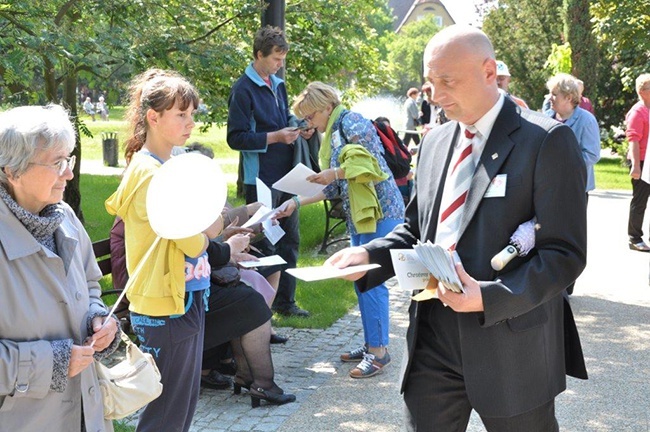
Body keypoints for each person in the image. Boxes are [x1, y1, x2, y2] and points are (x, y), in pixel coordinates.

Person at [326, 25, 588, 430]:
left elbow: (564, 253)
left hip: (511, 344)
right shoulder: (433, 142)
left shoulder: (546, 141)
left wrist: (491, 297)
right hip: (432, 339)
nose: (436, 94)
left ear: (488, 71)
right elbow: (417, 228)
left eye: (447, 81)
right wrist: (370, 254)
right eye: (430, 82)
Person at [105, 69, 224, 432]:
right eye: (181, 114)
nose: (190, 123)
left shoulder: (165, 165)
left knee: (180, 407)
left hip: (183, 299)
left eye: (192, 114)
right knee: (167, 414)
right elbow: (197, 239)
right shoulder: (152, 174)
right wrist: (213, 222)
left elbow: (201, 229)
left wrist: (208, 223)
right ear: (153, 118)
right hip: (166, 308)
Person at [0, 104, 120, 431]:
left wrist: (99, 319)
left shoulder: (64, 216)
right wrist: (51, 364)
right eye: (57, 163)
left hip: (87, 413)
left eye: (69, 159)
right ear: (12, 170)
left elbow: (92, 286)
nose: (68, 173)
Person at [275, 81, 405, 379]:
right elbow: (333, 185)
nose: (309, 123)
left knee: (371, 280)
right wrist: (295, 202)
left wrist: (333, 172)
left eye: (310, 116)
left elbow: (373, 167)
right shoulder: (333, 131)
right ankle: (372, 343)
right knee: (360, 279)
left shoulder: (352, 122)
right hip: (361, 214)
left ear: (326, 107)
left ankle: (379, 352)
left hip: (380, 211)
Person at [227, 25, 308, 317]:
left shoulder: (278, 83)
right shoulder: (242, 89)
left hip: (288, 174)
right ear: (259, 55)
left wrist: (299, 127)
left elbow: (282, 116)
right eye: (276, 58)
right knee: (265, 242)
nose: (280, 64)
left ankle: (286, 303)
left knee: (290, 238)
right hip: (261, 179)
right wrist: (275, 137)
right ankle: (262, 311)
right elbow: (235, 138)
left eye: (283, 58)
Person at [201, 239, 296, 407]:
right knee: (252, 303)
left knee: (246, 298)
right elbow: (205, 242)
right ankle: (263, 385)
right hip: (184, 290)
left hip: (192, 282)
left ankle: (245, 375)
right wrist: (230, 245)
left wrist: (230, 251)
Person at [544, 73, 601, 294]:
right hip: (548, 186)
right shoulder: (547, 116)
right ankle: (549, 281)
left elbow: (592, 154)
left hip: (575, 188)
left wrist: (564, 167)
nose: (550, 97)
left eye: (554, 94)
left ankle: (566, 286)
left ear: (569, 97)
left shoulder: (586, 120)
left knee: (569, 236)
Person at [625, 73, 650, 252]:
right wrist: (636, 165)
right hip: (641, 160)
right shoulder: (637, 112)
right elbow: (633, 140)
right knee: (640, 200)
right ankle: (635, 237)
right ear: (642, 92)